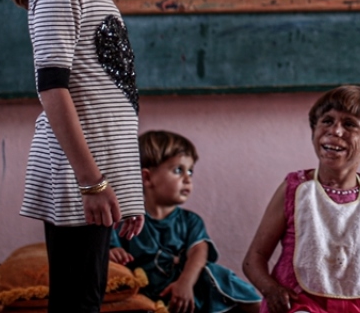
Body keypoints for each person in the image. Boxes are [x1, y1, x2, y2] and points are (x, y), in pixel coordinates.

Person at [7, 0, 147, 313]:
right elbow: (53, 89)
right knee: (77, 302)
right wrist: (91, 183)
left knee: (86, 298)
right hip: (78, 179)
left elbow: (107, 98)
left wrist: (123, 189)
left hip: (97, 179)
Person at [242, 85, 360, 313]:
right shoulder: (295, 189)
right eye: (327, 121)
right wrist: (271, 290)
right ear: (314, 132)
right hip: (301, 303)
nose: (335, 131)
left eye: (349, 124)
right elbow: (254, 258)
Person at [111, 131, 262, 313]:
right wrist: (113, 252)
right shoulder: (128, 221)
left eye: (190, 171)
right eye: (178, 170)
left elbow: (199, 251)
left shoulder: (190, 221)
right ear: (147, 177)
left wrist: (185, 283)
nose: (187, 178)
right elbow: (110, 249)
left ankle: (258, 308)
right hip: (146, 290)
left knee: (213, 272)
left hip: (188, 290)